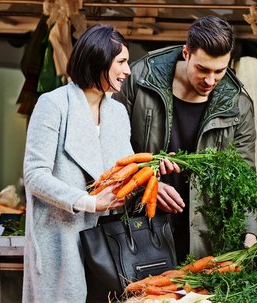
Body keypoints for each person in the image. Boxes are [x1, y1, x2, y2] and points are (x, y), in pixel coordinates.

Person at [22, 24, 178, 303]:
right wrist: (89, 201)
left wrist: (152, 176)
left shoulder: (117, 113)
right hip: (61, 241)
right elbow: (34, 175)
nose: (127, 71)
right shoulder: (53, 104)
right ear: (97, 60)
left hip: (108, 244)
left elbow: (122, 173)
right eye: (121, 62)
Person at [114, 15, 257, 263]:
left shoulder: (238, 105)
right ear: (186, 53)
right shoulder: (139, 81)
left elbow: (244, 175)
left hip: (206, 239)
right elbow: (110, 150)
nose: (210, 80)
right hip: (141, 228)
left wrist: (251, 233)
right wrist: (145, 184)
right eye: (202, 69)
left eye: (219, 71)